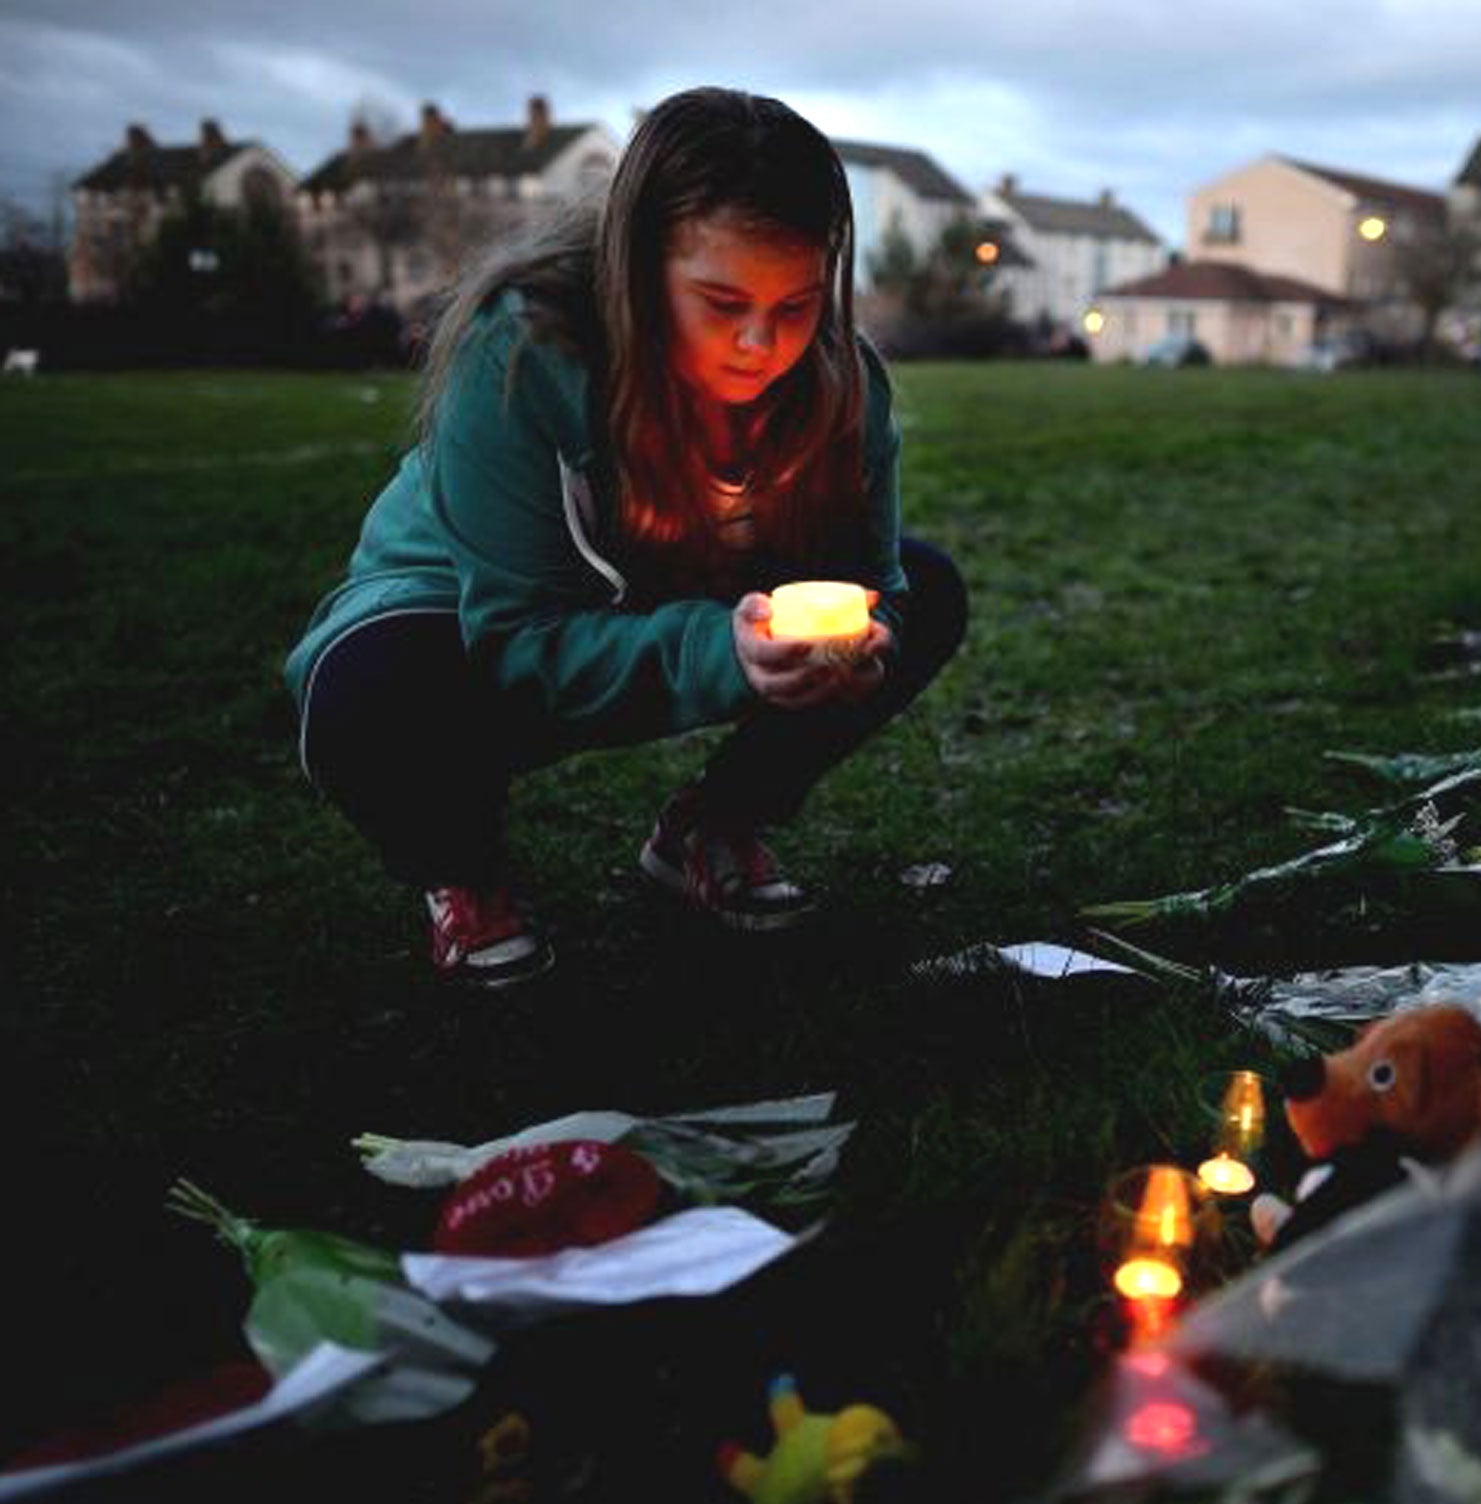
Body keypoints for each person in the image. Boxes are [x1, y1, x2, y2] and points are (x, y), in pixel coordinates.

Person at [283, 87, 968, 984]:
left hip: (692, 598)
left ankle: (711, 828)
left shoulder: (844, 385)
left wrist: (863, 642)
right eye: (721, 302)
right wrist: (718, 650)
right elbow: (518, 636)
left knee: (927, 591)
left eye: (796, 306)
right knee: (366, 690)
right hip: (474, 617)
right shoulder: (525, 354)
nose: (761, 343)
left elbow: (875, 584)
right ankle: (464, 874)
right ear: (638, 269)